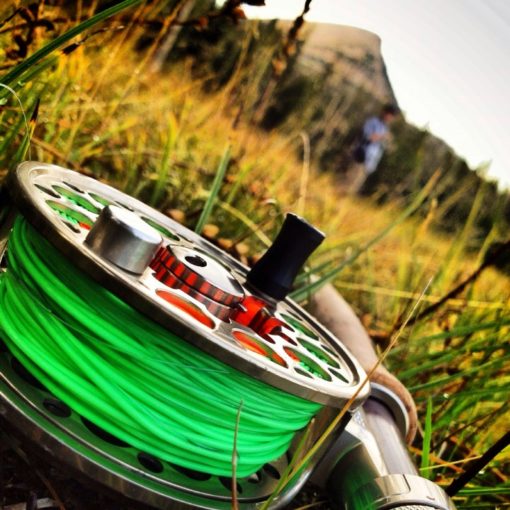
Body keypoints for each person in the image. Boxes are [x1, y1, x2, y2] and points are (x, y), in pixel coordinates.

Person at [350, 103, 398, 193]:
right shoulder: (373, 122)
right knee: (347, 183)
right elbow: (367, 137)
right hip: (360, 157)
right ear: (384, 112)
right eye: (389, 114)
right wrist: (382, 137)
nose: (390, 118)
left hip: (369, 163)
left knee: (353, 188)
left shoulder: (385, 128)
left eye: (392, 116)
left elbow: (384, 145)